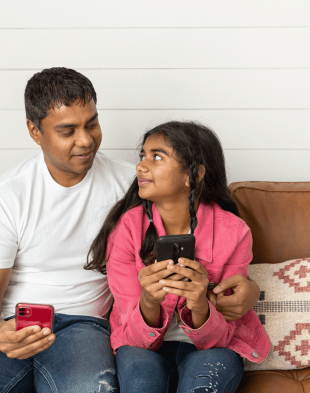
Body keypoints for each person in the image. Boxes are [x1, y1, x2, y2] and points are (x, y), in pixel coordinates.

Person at [0, 68, 261, 393]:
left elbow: (200, 227)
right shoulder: (4, 198)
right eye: (67, 130)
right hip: (11, 320)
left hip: (84, 327)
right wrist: (1, 334)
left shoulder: (134, 185)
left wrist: (248, 287)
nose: (86, 140)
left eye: (92, 124)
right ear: (34, 131)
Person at [86, 121, 271, 393]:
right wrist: (149, 300)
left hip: (212, 345)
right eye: (143, 156)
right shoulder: (127, 228)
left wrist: (199, 303)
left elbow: (221, 335)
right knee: (140, 384)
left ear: (193, 175)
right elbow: (134, 337)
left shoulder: (234, 232)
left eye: (157, 156)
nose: (140, 166)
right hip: (142, 345)